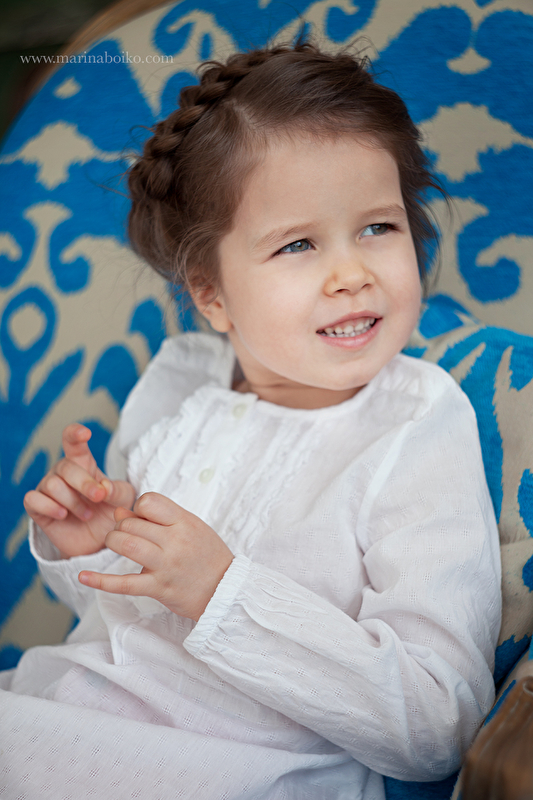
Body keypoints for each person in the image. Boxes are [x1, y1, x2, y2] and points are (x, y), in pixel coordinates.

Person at [1, 38, 501, 800]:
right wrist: (92, 551)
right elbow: (128, 634)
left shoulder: (413, 424)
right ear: (211, 294)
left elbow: (438, 724)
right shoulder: (178, 388)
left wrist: (222, 592)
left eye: (378, 227)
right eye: (298, 243)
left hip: (234, 773)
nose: (351, 273)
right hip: (61, 714)